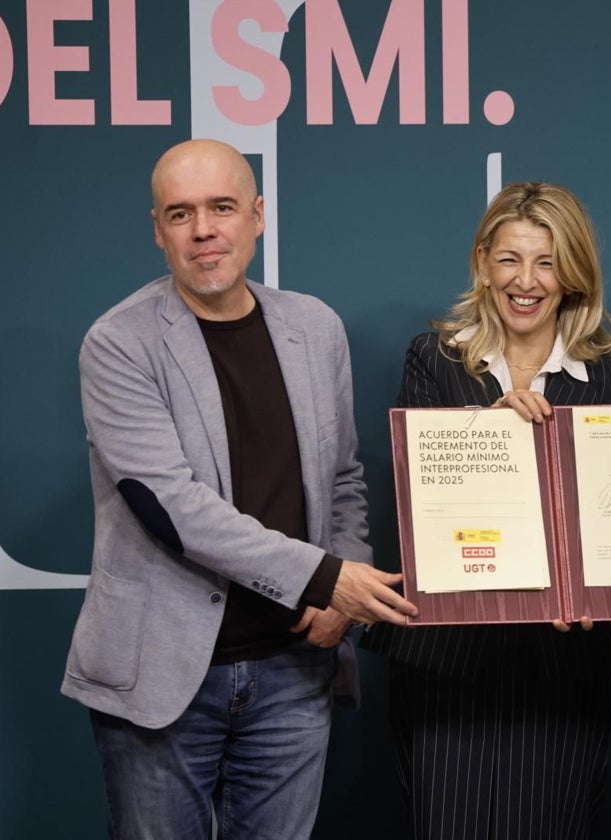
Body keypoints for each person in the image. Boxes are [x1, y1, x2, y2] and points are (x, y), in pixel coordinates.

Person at [61, 138, 418, 839]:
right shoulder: (119, 343)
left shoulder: (314, 329)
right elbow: (171, 507)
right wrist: (325, 577)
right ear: (158, 230)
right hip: (164, 676)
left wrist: (337, 602)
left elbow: (344, 479)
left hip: (294, 668)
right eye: (181, 213)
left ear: (257, 216)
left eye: (221, 207)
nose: (204, 230)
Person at [361, 182, 611, 839]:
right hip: (449, 661)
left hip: (562, 664)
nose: (526, 281)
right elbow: (422, 497)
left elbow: (609, 516)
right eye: (510, 259)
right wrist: (491, 426)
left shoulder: (608, 377)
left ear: (572, 274)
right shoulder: (435, 359)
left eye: (546, 262)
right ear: (483, 263)